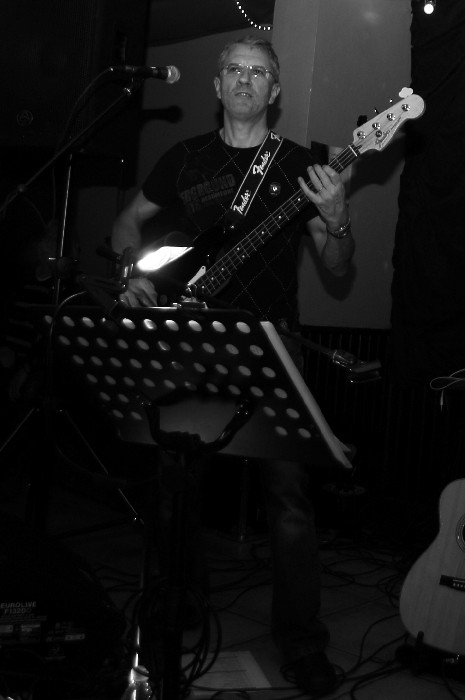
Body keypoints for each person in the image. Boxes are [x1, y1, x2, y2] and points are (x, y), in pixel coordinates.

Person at [112, 35, 354, 697]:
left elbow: (337, 269)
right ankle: (177, 610)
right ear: (216, 86)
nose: (246, 80)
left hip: (271, 343)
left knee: (290, 500)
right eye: (235, 71)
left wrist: (337, 219)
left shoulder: (300, 165)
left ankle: (301, 644)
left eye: (259, 72)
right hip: (192, 341)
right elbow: (128, 222)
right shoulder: (184, 158)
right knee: (174, 484)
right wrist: (132, 273)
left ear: (275, 90)